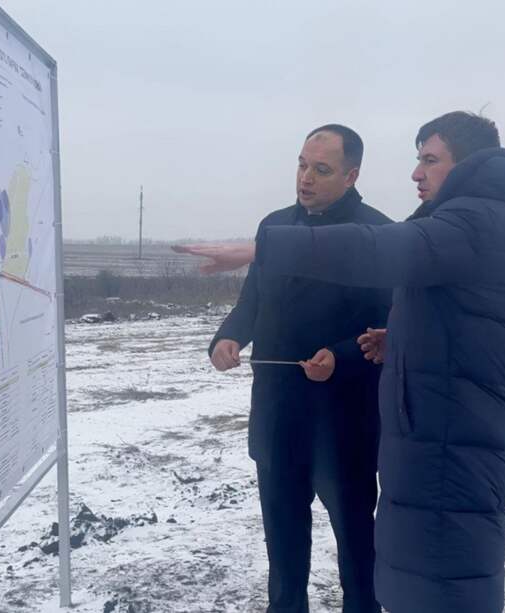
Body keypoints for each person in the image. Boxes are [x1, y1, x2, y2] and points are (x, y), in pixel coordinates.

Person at [249, 111, 505, 613]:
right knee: (423, 574)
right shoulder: (478, 223)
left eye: (430, 160)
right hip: (420, 436)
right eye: (302, 165)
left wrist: (262, 249)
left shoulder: (465, 224)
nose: (416, 173)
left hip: (430, 440)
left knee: (431, 574)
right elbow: (469, 326)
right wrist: (398, 338)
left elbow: (374, 251)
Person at [208, 124, 391, 613]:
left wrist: (341, 356)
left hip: (343, 422)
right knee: (284, 550)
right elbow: (252, 303)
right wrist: (227, 338)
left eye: (322, 169)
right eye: (302, 165)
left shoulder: (379, 234)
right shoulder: (274, 228)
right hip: (277, 418)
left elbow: (390, 324)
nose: (306, 178)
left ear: (351, 175)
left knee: (357, 546)